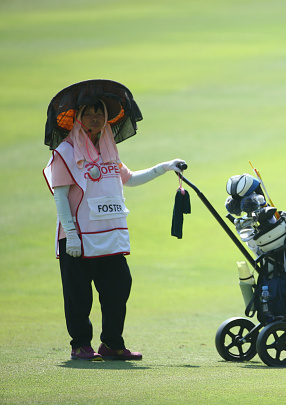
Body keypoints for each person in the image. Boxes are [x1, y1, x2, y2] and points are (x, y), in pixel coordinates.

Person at [43, 100, 186, 361]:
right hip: (78, 239)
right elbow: (60, 196)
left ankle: (111, 344)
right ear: (79, 117)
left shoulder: (108, 148)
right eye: (89, 113)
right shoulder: (65, 151)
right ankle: (80, 345)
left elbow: (129, 179)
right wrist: (71, 234)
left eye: (100, 113)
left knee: (119, 286)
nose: (95, 118)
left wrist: (164, 167)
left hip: (109, 236)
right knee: (78, 296)